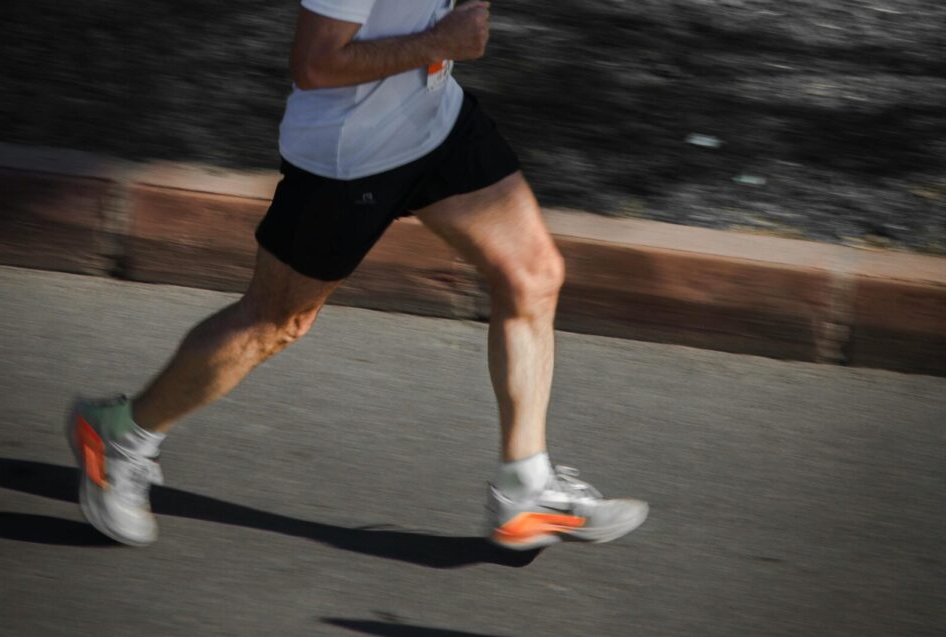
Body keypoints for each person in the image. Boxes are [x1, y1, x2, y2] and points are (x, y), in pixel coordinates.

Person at [67, 0, 648, 550]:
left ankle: (526, 487)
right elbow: (316, 62)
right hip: (350, 159)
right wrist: (441, 40)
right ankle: (119, 437)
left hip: (436, 122)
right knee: (274, 323)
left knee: (532, 277)